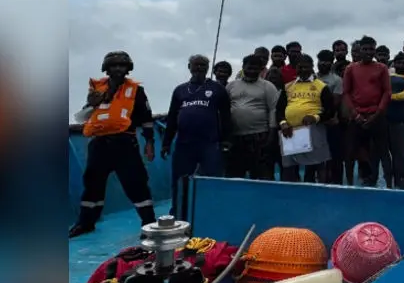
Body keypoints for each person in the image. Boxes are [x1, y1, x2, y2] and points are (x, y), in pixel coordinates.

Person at [69, 51, 158, 238]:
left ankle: (149, 223)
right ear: (106, 68)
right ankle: (86, 223)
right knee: (92, 184)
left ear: (128, 69)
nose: (118, 69)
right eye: (113, 65)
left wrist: (149, 143)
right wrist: (90, 104)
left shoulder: (136, 91)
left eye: (122, 65)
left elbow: (147, 119)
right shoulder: (96, 90)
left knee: (136, 184)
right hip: (99, 144)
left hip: (124, 143)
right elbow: (83, 116)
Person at [162, 54, 231, 216]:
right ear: (189, 67)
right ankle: (178, 212)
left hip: (210, 144)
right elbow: (172, 117)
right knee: (180, 181)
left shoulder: (218, 89)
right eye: (196, 65)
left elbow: (226, 116)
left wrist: (226, 140)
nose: (199, 68)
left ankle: (213, 212)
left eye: (202, 65)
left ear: (208, 69)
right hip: (184, 144)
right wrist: (166, 142)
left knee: (213, 180)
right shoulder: (179, 90)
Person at [342, 36, 392, 187]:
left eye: (371, 49)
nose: (368, 52)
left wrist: (378, 113)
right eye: (365, 49)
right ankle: (349, 185)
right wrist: (355, 114)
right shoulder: (350, 68)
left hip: (376, 117)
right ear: (359, 50)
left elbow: (387, 92)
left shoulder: (382, 68)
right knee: (350, 153)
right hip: (357, 117)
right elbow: (346, 93)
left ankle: (390, 186)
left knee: (384, 153)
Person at [276, 54, 334, 182]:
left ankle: (320, 192)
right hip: (289, 130)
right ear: (295, 68)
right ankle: (290, 192)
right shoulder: (288, 86)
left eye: (306, 67)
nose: (302, 70)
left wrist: (315, 117)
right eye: (299, 67)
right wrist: (283, 123)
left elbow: (331, 110)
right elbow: (279, 109)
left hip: (313, 129)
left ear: (312, 67)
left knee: (317, 163)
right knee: (289, 166)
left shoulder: (321, 86)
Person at [226, 54, 280, 180]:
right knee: (234, 174)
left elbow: (273, 110)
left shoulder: (268, 86)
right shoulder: (231, 86)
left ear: (261, 69)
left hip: (259, 135)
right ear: (243, 67)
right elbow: (224, 109)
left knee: (261, 174)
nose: (252, 71)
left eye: (256, 68)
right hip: (236, 136)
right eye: (249, 68)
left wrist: (271, 134)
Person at [315, 49, 346, 184]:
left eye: (327, 61)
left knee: (335, 155)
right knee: (317, 155)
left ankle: (337, 182)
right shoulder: (313, 78)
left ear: (331, 63)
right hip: (315, 123)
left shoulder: (337, 80)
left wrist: (326, 116)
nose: (323, 64)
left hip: (331, 122)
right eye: (321, 61)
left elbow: (336, 101)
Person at [384, 53, 404, 189]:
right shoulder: (386, 78)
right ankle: (389, 182)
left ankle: (399, 180)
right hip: (383, 121)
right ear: (394, 64)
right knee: (385, 154)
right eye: (399, 62)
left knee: (398, 154)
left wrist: (389, 97)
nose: (401, 65)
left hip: (398, 122)